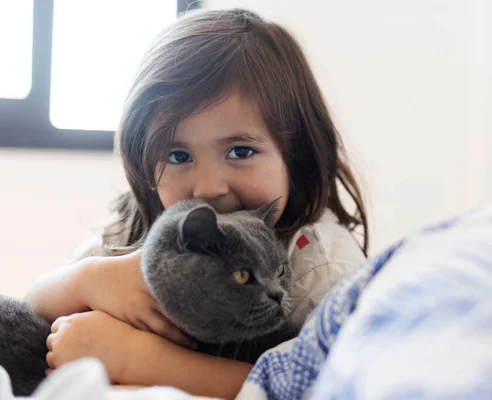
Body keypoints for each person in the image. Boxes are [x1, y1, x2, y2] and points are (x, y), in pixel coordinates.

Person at [25, 8, 368, 399]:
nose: (207, 188)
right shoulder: (129, 236)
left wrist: (137, 358)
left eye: (240, 151)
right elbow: (30, 306)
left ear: (296, 155)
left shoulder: (319, 263)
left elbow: (327, 386)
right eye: (177, 157)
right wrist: (87, 279)